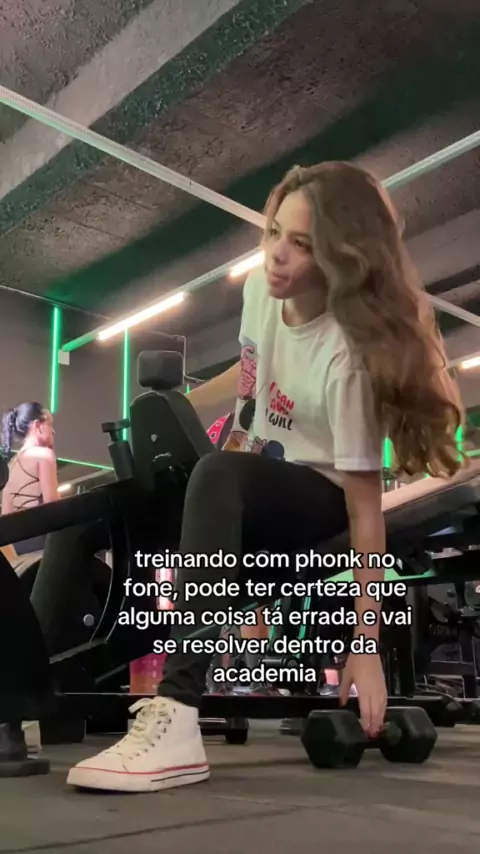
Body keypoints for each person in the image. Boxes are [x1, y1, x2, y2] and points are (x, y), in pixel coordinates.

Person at [67, 160, 463, 793]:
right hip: (249, 484)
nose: (277, 254)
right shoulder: (261, 290)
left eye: (301, 244)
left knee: (220, 474)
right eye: (275, 231)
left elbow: (364, 515)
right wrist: (183, 407)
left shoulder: (348, 358)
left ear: (342, 258)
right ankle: (22, 698)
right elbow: (252, 382)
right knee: (97, 507)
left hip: (319, 504)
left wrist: (364, 644)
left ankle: (179, 716)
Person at [1, 402, 58, 555]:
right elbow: (53, 504)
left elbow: (6, 513)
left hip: (15, 546)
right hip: (40, 540)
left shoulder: (11, 465)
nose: (53, 431)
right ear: (38, 425)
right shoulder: (43, 455)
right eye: (50, 424)